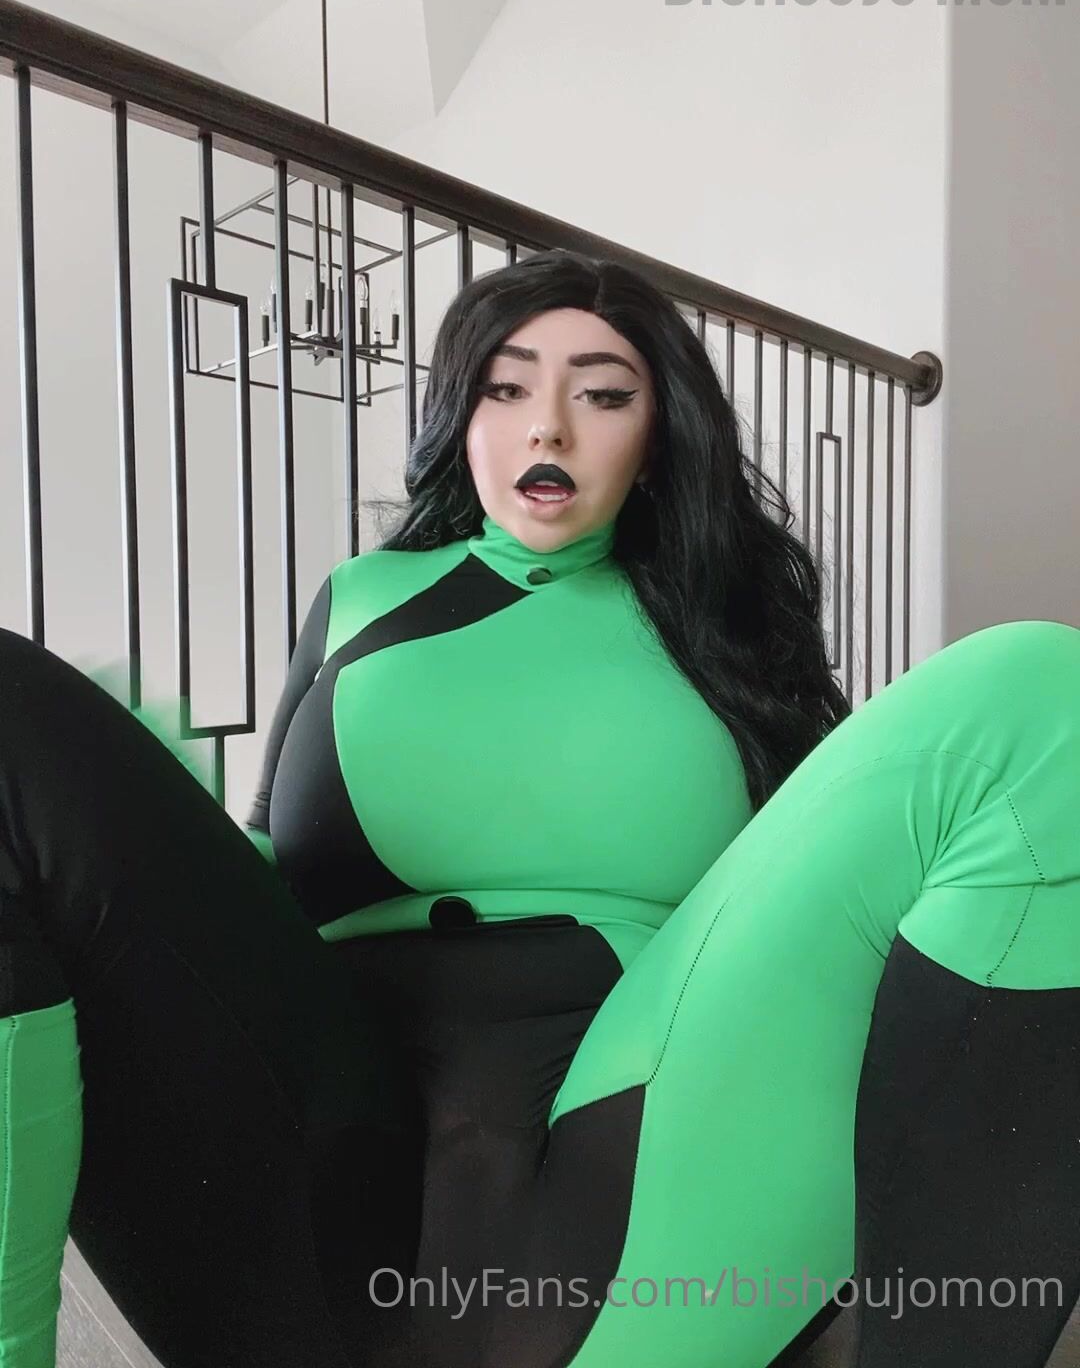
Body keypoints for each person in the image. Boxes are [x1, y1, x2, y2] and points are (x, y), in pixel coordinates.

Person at [1, 248, 1078, 1368]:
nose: (547, 428)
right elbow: (268, 851)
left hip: (635, 1125)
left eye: (603, 395)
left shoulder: (724, 630)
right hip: (316, 1130)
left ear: (657, 440)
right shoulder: (362, 598)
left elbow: (802, 916)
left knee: (1040, 692)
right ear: (460, 418)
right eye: (506, 388)